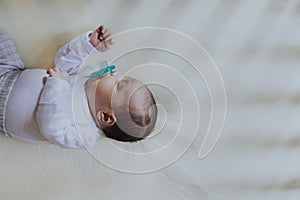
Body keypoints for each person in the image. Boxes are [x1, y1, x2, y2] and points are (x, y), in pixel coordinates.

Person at [0, 25, 157, 148]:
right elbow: (64, 61)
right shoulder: (87, 78)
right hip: (11, 72)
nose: (116, 72)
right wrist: (89, 46)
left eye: (119, 83)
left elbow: (51, 128)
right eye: (124, 76)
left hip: (3, 112)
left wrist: (58, 85)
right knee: (4, 43)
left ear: (106, 116)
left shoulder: (85, 134)